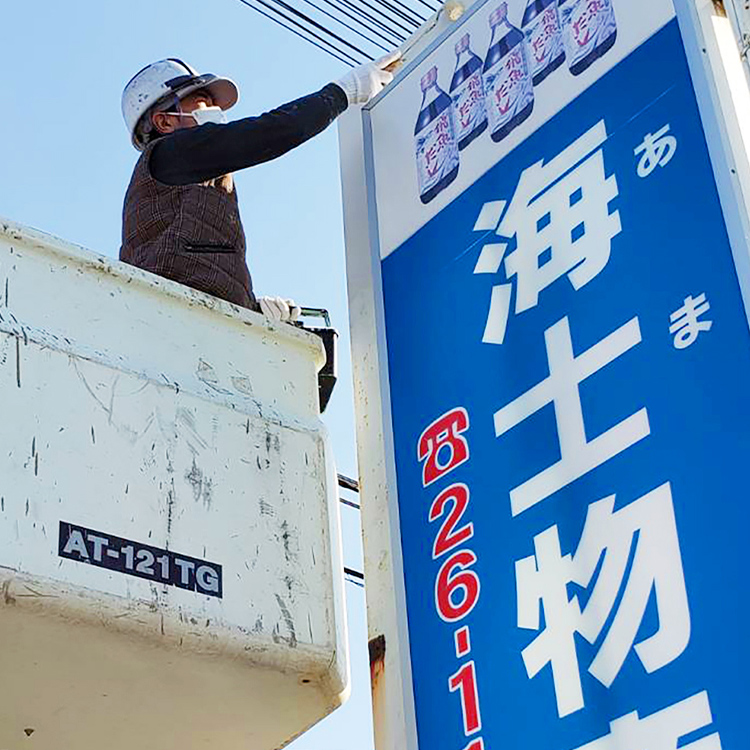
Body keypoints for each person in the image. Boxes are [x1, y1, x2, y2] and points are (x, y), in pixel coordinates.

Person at [120, 53, 399, 322]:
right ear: (165, 121)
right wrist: (341, 93)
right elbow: (271, 131)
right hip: (176, 317)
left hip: (187, 320)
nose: (214, 112)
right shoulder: (171, 152)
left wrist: (252, 308)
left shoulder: (183, 172)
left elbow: (198, 270)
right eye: (203, 102)